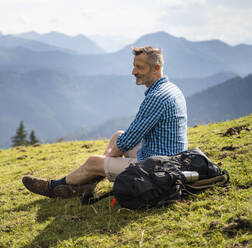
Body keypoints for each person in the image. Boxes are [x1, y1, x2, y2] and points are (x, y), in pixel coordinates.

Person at [22, 46, 188, 198]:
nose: (133, 72)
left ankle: (54, 188)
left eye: (139, 67)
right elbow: (126, 137)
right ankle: (90, 182)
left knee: (94, 161)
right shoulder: (171, 89)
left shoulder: (156, 97)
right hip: (170, 159)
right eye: (134, 66)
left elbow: (129, 140)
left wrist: (104, 162)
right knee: (118, 135)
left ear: (156, 68)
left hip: (157, 168)